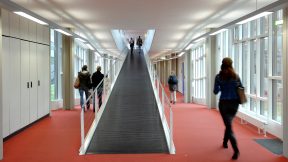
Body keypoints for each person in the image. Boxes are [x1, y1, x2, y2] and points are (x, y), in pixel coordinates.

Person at [213, 57, 242, 160]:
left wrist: (221, 87)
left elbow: (215, 91)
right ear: (231, 65)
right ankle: (225, 142)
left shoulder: (218, 77)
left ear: (222, 64)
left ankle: (236, 150)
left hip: (224, 104)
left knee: (228, 125)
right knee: (228, 124)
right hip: (234, 104)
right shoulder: (236, 76)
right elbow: (241, 89)